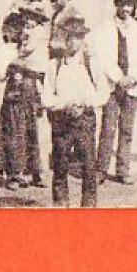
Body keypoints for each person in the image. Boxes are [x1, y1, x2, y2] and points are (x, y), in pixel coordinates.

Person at [40, 12, 106, 207]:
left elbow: (103, 92)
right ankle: (61, 206)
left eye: (78, 37)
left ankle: (89, 206)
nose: (73, 43)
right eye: (70, 37)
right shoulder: (55, 65)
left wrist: (85, 102)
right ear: (64, 38)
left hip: (84, 119)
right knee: (60, 165)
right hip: (62, 120)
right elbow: (46, 95)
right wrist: (64, 104)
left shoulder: (91, 63)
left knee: (88, 166)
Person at [96, 0, 137, 185]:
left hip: (132, 86)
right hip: (113, 86)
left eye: (130, 5)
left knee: (127, 129)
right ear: (116, 4)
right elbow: (103, 57)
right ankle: (101, 169)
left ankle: (123, 169)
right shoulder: (106, 28)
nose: (126, 9)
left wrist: (134, 78)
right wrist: (118, 77)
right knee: (108, 127)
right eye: (122, 4)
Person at [0, 10, 46, 189]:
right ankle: (14, 174)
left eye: (24, 28)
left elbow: (41, 69)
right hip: (14, 97)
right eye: (16, 30)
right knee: (15, 133)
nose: (21, 33)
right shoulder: (6, 50)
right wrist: (14, 64)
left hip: (31, 96)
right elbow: (1, 74)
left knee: (33, 133)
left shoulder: (32, 47)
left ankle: (34, 172)